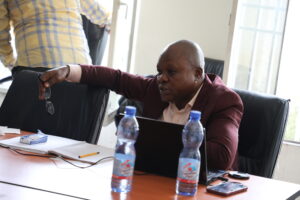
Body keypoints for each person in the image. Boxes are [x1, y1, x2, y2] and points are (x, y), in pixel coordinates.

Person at [39, 40, 244, 170]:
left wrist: (159, 138)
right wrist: (68, 71)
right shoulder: (154, 88)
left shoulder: (224, 100)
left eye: (171, 72)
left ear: (198, 74)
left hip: (197, 188)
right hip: (154, 176)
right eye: (159, 71)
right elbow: (116, 79)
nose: (161, 78)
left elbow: (221, 157)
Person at [0, 0, 110, 74]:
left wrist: (11, 64)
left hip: (34, 68)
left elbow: (1, 36)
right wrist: (107, 20)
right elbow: (97, 12)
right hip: (79, 67)